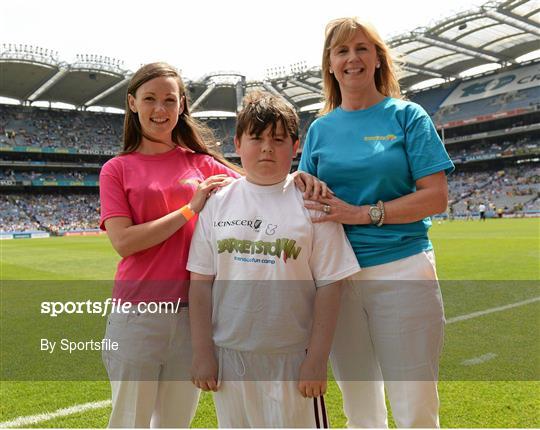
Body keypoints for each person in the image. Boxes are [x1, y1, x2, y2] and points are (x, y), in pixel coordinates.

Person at [299, 18, 455, 428]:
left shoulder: (407, 116)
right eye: (342, 51)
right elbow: (306, 200)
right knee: (359, 406)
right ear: (330, 64)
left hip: (402, 269)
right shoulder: (319, 129)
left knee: (415, 404)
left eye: (362, 48)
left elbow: (436, 197)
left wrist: (362, 214)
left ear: (378, 59)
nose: (352, 58)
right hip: (338, 280)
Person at [187, 91, 360, 428]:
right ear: (238, 143)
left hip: (293, 358)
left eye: (278, 139)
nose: (267, 147)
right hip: (230, 356)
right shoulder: (217, 203)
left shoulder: (312, 203)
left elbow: (330, 287)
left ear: (295, 147)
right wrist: (203, 352)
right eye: (257, 138)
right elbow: (200, 284)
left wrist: (316, 360)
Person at [98, 62, 243, 428]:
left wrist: (301, 178)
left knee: (177, 424)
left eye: (169, 100)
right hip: (137, 315)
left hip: (193, 317)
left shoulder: (205, 165)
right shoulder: (117, 168)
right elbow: (124, 242)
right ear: (133, 103)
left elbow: (261, 190)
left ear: (181, 106)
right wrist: (189, 208)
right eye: (150, 99)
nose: (159, 110)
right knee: (129, 422)